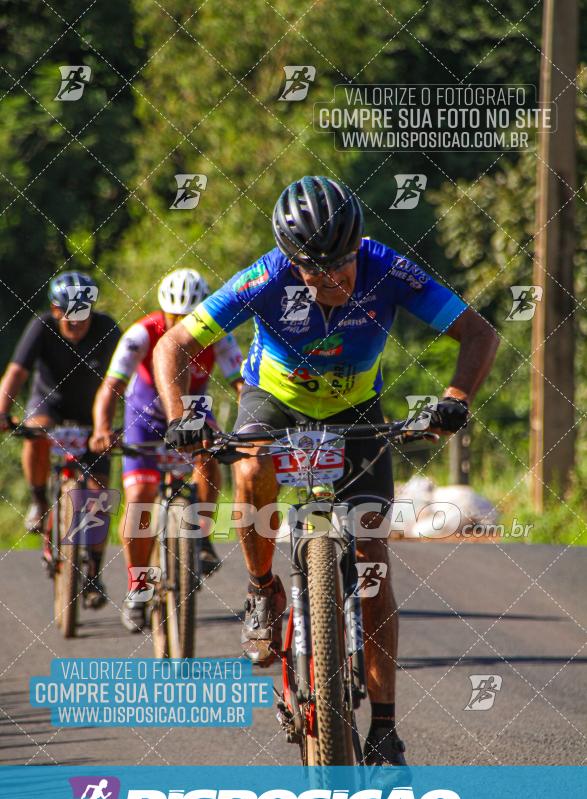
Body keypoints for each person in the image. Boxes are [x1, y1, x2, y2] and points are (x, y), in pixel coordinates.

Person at [153, 175, 499, 765]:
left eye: (340, 266)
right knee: (248, 467)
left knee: (373, 567)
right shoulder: (266, 276)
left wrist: (456, 397)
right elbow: (173, 345)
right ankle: (263, 589)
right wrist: (183, 414)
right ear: (291, 260)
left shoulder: (388, 269)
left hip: (356, 409)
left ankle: (385, 729)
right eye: (312, 271)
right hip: (274, 400)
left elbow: (478, 331)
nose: (329, 282)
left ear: (358, 246)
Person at [90, 268, 243, 633]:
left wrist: (248, 424)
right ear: (163, 312)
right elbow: (111, 386)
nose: (181, 324)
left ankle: (202, 535)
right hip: (144, 416)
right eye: (175, 317)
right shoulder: (140, 333)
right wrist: (100, 429)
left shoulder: (218, 334)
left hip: (191, 411)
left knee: (209, 460)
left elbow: (242, 384)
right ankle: (137, 588)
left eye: (190, 317)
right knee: (140, 497)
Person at [0, 271, 120, 607]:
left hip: (93, 413)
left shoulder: (108, 329)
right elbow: (16, 372)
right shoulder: (41, 326)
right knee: (34, 433)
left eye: (84, 315)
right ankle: (39, 500)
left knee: (99, 492)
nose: (78, 324)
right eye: (71, 316)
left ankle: (93, 573)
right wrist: (2, 411)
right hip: (48, 404)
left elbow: (127, 377)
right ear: (55, 310)